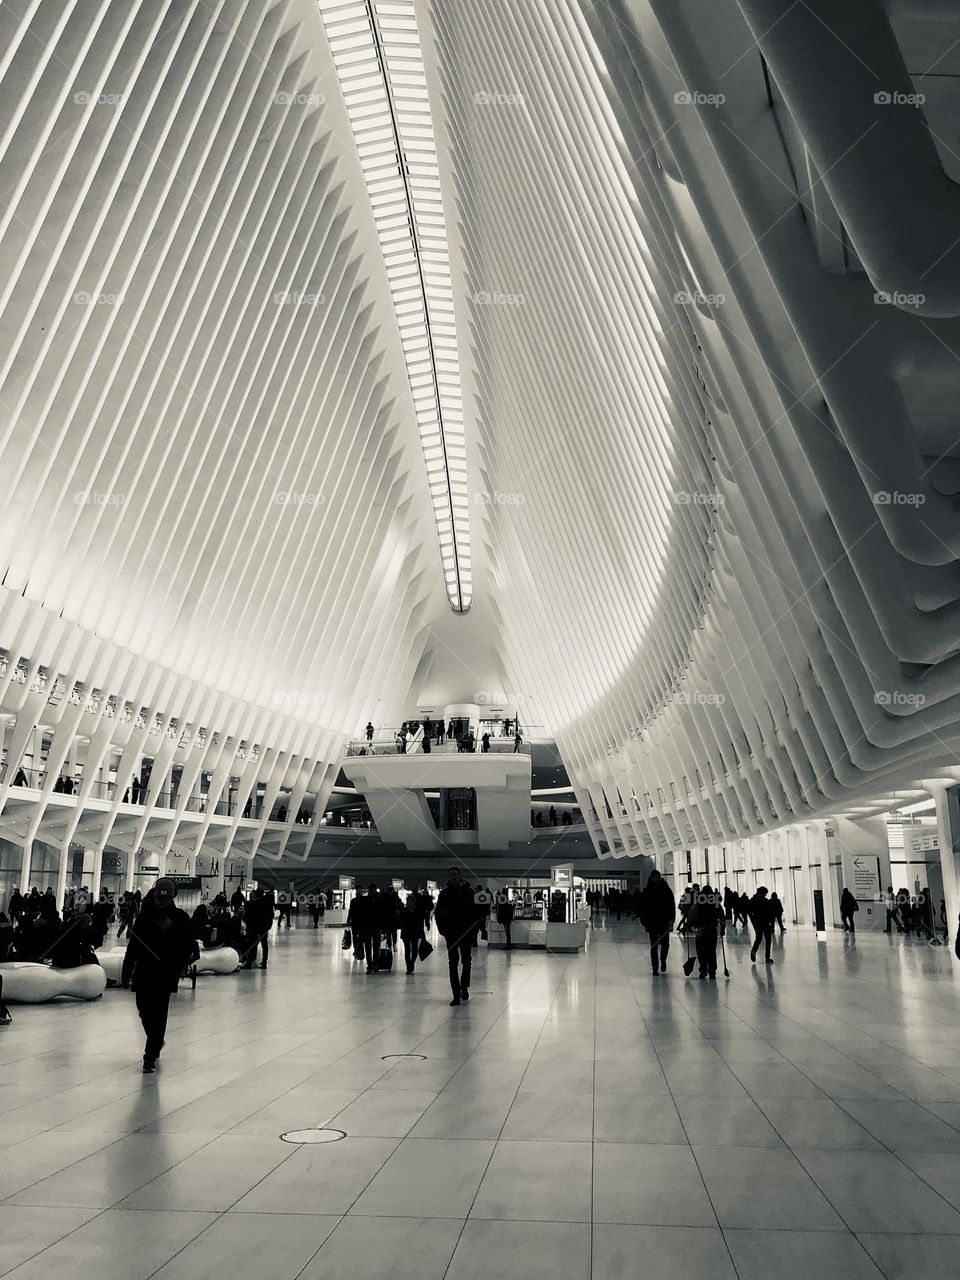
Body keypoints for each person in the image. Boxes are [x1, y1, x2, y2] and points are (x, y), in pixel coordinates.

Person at [121, 879, 195, 1072]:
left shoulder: (180, 918)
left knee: (159, 1014)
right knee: (143, 1010)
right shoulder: (144, 917)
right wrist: (126, 971)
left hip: (165, 972)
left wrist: (171, 930)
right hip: (144, 970)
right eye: (159, 897)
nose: (162, 901)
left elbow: (188, 945)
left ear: (172, 897)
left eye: (166, 898)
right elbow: (134, 946)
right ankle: (156, 1040)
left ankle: (150, 1056)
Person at [435, 866, 476, 1005]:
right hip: (451, 933)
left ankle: (464, 987)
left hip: (465, 932)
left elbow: (475, 913)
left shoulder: (469, 892)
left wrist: (473, 930)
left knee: (466, 961)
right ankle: (456, 994)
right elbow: (438, 912)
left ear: (459, 875)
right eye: (451, 874)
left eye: (455, 874)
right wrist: (442, 930)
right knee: (453, 963)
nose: (453, 876)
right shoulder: (445, 893)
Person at [639, 868, 676, 975]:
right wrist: (643, 917)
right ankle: (655, 967)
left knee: (665, 944)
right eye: (654, 877)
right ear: (652, 878)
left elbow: (671, 905)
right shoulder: (648, 891)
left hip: (664, 921)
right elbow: (642, 905)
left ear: (660, 878)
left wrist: (671, 919)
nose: (656, 879)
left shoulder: (666, 890)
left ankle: (663, 959)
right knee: (654, 945)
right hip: (652, 921)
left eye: (657, 877)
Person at [689, 883, 725, 979]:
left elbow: (692, 913)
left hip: (700, 930)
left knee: (701, 951)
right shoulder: (715, 902)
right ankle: (712, 971)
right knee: (711, 951)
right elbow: (721, 915)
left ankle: (703, 970)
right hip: (712, 930)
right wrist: (723, 928)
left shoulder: (699, 901)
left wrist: (689, 925)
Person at [240, 888, 273, 969]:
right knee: (264, 945)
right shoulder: (267, 902)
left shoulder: (253, 903)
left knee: (253, 944)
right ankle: (264, 962)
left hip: (254, 927)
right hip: (264, 927)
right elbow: (271, 915)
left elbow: (247, 916)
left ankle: (249, 963)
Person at [748, 886, 776, 963]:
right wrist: (771, 924)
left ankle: (754, 951)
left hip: (758, 923)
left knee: (759, 938)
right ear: (762, 893)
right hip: (765, 922)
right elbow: (770, 914)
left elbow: (749, 912)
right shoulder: (765, 901)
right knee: (767, 940)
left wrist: (753, 920)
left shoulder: (752, 900)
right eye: (765, 893)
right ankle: (767, 957)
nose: (765, 895)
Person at [400, 894, 426, 973]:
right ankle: (409, 967)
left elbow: (421, 922)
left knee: (414, 950)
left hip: (415, 932)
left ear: (414, 902)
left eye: (411, 901)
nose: (410, 903)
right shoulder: (404, 911)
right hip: (406, 933)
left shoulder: (418, 911)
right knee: (407, 950)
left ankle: (411, 963)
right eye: (408, 901)